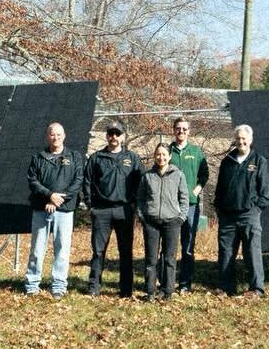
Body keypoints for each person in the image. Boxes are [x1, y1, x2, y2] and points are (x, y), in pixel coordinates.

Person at [24, 122, 84, 298]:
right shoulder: (39, 157)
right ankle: (32, 285)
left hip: (64, 211)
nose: (55, 137)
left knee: (62, 250)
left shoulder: (74, 157)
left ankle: (58, 285)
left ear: (64, 136)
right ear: (47, 136)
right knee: (36, 250)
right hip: (41, 210)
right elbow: (33, 181)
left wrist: (58, 200)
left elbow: (77, 180)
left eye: (58, 134)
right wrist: (49, 196)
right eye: (52, 134)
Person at [84, 122, 142, 297]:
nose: (114, 137)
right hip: (101, 211)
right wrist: (90, 205)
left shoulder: (132, 158)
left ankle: (126, 290)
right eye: (111, 133)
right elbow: (87, 182)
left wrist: (134, 205)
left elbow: (140, 183)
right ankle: (94, 287)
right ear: (107, 135)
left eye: (117, 133)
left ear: (123, 136)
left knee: (125, 251)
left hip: (124, 211)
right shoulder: (96, 158)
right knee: (98, 251)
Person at [214, 124, 269, 298]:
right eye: (238, 138)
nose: (241, 141)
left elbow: (264, 193)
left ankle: (256, 289)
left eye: (244, 138)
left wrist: (255, 210)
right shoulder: (227, 161)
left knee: (252, 252)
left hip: (249, 215)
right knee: (226, 253)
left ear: (250, 140)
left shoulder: (259, 161)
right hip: (228, 216)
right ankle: (226, 288)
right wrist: (220, 210)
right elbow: (220, 189)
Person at [137, 142, 188, 301]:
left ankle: (167, 291)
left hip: (172, 221)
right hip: (151, 222)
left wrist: (181, 218)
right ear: (154, 156)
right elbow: (140, 199)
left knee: (169, 258)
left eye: (164, 154)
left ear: (170, 156)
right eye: (158, 154)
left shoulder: (178, 174)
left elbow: (184, 199)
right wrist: (142, 218)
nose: (161, 157)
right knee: (151, 259)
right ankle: (150, 291)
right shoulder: (147, 176)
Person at [168, 117, 210, 293]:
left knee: (188, 246)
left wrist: (197, 189)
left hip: (191, 206)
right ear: (173, 130)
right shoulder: (167, 151)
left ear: (189, 131)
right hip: (170, 205)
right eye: (178, 128)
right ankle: (166, 282)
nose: (181, 132)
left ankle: (185, 284)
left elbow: (204, 174)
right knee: (168, 246)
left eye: (184, 129)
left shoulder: (196, 151)